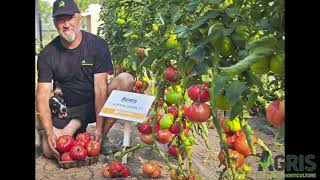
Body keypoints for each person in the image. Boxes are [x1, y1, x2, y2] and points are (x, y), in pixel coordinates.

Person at [36, 0, 135, 159]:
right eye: (61, 19)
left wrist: (98, 127)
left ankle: (100, 136)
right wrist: (48, 132)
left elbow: (101, 89)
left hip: (96, 103)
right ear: (55, 23)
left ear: (79, 18)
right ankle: (67, 130)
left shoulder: (97, 45)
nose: (66, 24)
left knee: (126, 79)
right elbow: (42, 94)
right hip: (68, 110)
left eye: (70, 18)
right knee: (49, 150)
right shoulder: (47, 54)